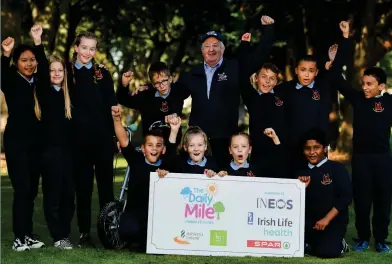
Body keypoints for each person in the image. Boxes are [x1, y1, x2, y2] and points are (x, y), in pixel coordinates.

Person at [132, 15, 275, 169]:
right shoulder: (192, 73)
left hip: (225, 139)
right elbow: (169, 90)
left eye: (215, 45)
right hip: (197, 141)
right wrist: (148, 88)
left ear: (222, 49)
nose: (211, 49)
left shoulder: (235, 68)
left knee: (221, 183)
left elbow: (259, 57)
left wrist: (269, 30)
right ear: (202, 50)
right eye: (207, 46)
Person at [332, 64, 392, 253]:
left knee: (383, 200)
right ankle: (363, 238)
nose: (365, 87)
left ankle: (381, 239)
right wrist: (334, 62)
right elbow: (339, 82)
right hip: (361, 160)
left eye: (369, 84)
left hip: (383, 160)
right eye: (363, 83)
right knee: (362, 200)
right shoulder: (358, 99)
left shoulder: (390, 101)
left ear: (381, 86)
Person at [275, 21, 352, 175]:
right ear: (296, 70)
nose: (307, 74)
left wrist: (345, 37)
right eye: (303, 70)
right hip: (291, 149)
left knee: (318, 189)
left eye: (311, 70)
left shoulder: (323, 87)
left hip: (317, 150)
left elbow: (337, 65)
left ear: (316, 72)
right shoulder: (283, 90)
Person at [67, 31, 118, 247]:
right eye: (84, 47)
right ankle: (85, 234)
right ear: (76, 48)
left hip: (103, 140)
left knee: (106, 188)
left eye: (92, 48)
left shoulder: (103, 74)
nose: (88, 52)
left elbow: (112, 104)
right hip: (78, 142)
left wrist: (115, 133)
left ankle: (108, 233)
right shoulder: (67, 74)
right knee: (84, 189)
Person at [1, 25, 46, 251]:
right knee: (22, 188)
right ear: (16, 63)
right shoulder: (11, 80)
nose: (29, 64)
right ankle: (19, 238)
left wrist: (38, 42)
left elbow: (46, 68)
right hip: (16, 142)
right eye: (24, 60)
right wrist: (6, 54)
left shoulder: (39, 82)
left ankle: (27, 234)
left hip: (36, 143)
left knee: (32, 190)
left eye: (32, 60)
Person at [111, 105, 169, 252]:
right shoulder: (136, 160)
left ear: (163, 149)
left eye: (158, 145)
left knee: (153, 240)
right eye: (150, 145)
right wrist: (117, 119)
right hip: (134, 212)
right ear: (143, 148)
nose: (154, 149)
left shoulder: (168, 166)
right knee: (128, 231)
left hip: (156, 214)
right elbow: (123, 140)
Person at [34, 53, 74, 249]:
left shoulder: (68, 96)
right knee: (53, 196)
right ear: (46, 73)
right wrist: (38, 43)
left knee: (68, 195)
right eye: (52, 70)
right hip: (50, 153)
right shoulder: (44, 92)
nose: (56, 73)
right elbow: (41, 72)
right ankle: (58, 236)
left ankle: (64, 234)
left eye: (60, 70)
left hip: (68, 153)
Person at [238, 31, 287, 177]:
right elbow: (242, 73)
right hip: (258, 155)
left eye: (272, 78)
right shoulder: (251, 97)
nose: (267, 81)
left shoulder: (282, 96)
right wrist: (244, 46)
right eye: (264, 77)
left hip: (279, 152)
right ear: (256, 78)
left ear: (276, 82)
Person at [298, 128, 351, 258]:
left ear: (325, 149)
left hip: (331, 221)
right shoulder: (300, 172)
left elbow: (346, 197)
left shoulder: (337, 168)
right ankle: (311, 243)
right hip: (309, 222)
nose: (312, 152)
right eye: (307, 148)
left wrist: (326, 219)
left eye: (316, 148)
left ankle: (339, 243)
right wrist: (300, 188)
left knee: (328, 252)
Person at [116, 62, 187, 144]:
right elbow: (123, 100)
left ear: (170, 79)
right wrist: (124, 85)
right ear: (153, 84)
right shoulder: (145, 97)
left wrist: (148, 86)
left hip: (173, 144)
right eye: (157, 83)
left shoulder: (179, 91)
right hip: (151, 147)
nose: (162, 86)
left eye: (164, 80)